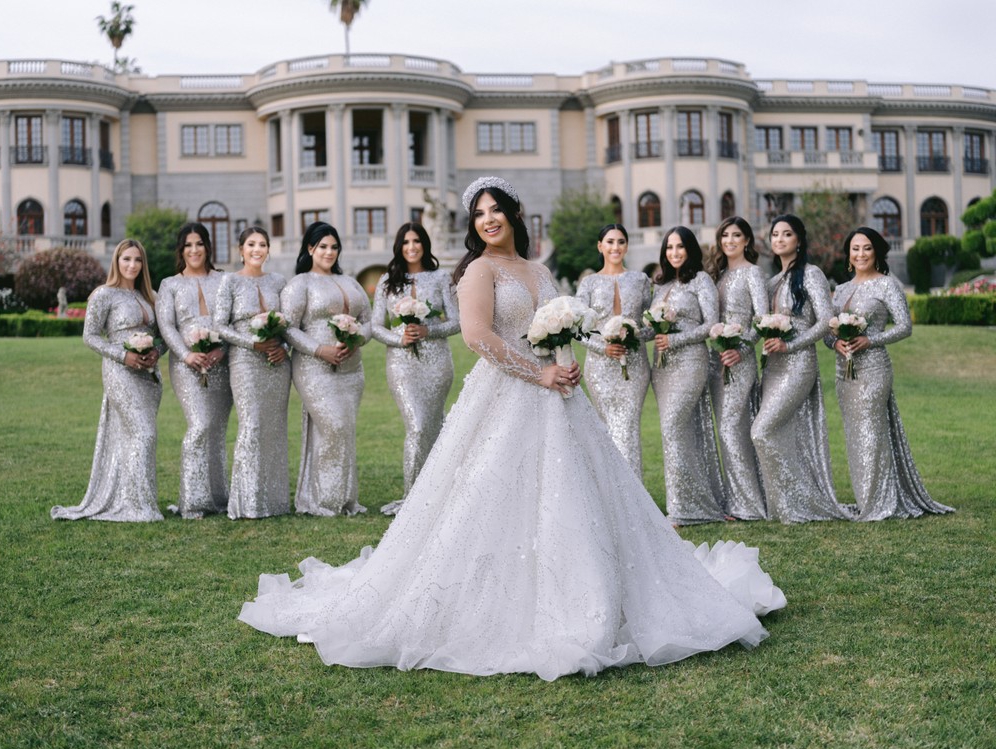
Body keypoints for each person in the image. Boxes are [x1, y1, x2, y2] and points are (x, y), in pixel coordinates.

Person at [238, 176, 785, 681]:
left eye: (496, 211)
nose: (488, 220)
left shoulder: (540, 270)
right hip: (505, 392)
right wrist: (538, 371)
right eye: (479, 214)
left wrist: (561, 360)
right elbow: (477, 335)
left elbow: (556, 323)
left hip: (558, 393)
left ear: (514, 215)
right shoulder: (480, 270)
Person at [826, 228, 954, 520]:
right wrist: (836, 342)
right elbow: (827, 332)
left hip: (873, 368)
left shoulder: (887, 285)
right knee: (854, 435)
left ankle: (877, 504)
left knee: (871, 433)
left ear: (877, 252)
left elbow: (904, 326)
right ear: (848, 254)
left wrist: (871, 339)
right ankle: (867, 498)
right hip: (844, 372)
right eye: (855, 248)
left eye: (867, 248)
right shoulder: (842, 289)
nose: (860, 254)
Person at [52, 240, 164, 522]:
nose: (132, 265)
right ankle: (139, 507)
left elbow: (163, 335)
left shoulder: (150, 295)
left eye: (137, 260)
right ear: (116, 261)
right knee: (144, 433)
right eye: (126, 259)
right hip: (119, 372)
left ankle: (135, 498)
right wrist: (122, 355)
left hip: (149, 376)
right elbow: (89, 336)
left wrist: (156, 352)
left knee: (137, 436)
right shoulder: (103, 294)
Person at [751, 215, 852, 523]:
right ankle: (785, 505)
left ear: (799, 240)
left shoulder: (811, 274)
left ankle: (802, 499)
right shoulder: (771, 282)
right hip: (773, 366)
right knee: (782, 433)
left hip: (798, 365)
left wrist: (790, 345)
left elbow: (825, 321)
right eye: (775, 235)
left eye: (787, 234)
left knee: (761, 431)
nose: (780, 239)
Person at [282, 222, 371, 517]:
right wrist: (320, 349)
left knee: (345, 430)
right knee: (334, 426)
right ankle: (325, 501)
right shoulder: (300, 284)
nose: (329, 252)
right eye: (322, 247)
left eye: (334, 247)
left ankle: (343, 498)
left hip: (351, 368)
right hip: (312, 367)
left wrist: (358, 339)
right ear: (310, 248)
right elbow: (288, 329)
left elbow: (369, 321)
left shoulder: (351, 283)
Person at [370, 222, 460, 515]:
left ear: (425, 244)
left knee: (435, 427)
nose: (411, 247)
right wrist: (400, 337)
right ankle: (412, 499)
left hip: (437, 362)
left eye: (417, 241)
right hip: (401, 364)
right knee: (418, 426)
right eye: (406, 242)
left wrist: (428, 332)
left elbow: (457, 321)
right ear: (399, 246)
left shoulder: (441, 278)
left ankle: (439, 492)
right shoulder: (386, 281)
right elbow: (374, 326)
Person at [649, 226, 726, 525]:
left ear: (690, 249)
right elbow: (652, 328)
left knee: (671, 427)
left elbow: (710, 324)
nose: (674, 252)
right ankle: (695, 502)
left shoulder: (701, 280)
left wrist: (676, 340)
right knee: (678, 434)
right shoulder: (661, 285)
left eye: (680, 247)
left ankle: (681, 511)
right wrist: (623, 333)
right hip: (662, 367)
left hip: (691, 363)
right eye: (669, 248)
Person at [213, 227, 291, 519]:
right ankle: (247, 502)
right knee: (252, 425)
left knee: (274, 428)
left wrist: (284, 347)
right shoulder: (229, 281)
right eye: (251, 244)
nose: (257, 250)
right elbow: (221, 325)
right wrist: (252, 343)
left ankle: (275, 501)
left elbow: (290, 324)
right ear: (240, 250)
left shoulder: (280, 282)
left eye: (262, 245)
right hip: (245, 361)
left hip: (277, 364)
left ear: (268, 250)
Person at [155, 223, 231, 518]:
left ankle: (217, 496)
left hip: (221, 364)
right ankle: (193, 500)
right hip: (186, 366)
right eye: (188, 245)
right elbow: (166, 325)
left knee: (217, 430)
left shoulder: (225, 280)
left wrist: (221, 350)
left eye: (199, 244)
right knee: (199, 425)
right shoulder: (170, 284)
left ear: (208, 247)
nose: (194, 250)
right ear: (181, 250)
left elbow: (234, 320)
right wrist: (186, 355)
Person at [574, 223, 652, 477]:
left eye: (620, 242)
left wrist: (634, 337)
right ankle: (614, 499)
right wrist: (602, 348)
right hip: (599, 369)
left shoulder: (640, 280)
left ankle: (633, 501)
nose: (615, 247)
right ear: (600, 246)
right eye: (610, 242)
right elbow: (577, 329)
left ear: (627, 246)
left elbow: (651, 325)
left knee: (627, 429)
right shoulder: (589, 283)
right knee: (608, 431)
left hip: (635, 366)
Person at [708, 216, 769, 520]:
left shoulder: (752, 274)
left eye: (736, 235)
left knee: (731, 428)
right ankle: (735, 500)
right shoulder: (717, 275)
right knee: (727, 430)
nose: (730, 241)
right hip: (715, 362)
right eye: (725, 236)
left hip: (739, 361)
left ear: (747, 241)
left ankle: (749, 505)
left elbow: (761, 320)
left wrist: (741, 348)